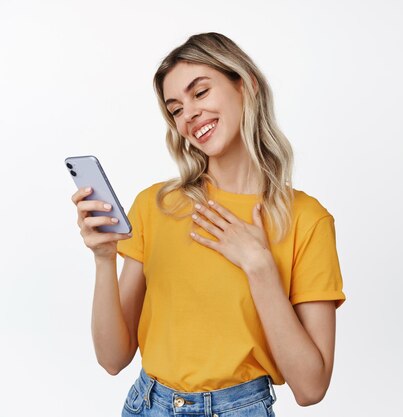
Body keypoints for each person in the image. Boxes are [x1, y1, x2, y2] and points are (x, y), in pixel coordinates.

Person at [71, 32, 346, 417]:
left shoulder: (307, 219)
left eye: (200, 93)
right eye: (176, 109)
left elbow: (311, 387)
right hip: (148, 405)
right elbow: (113, 359)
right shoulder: (156, 205)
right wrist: (103, 259)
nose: (189, 115)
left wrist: (260, 268)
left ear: (245, 84)